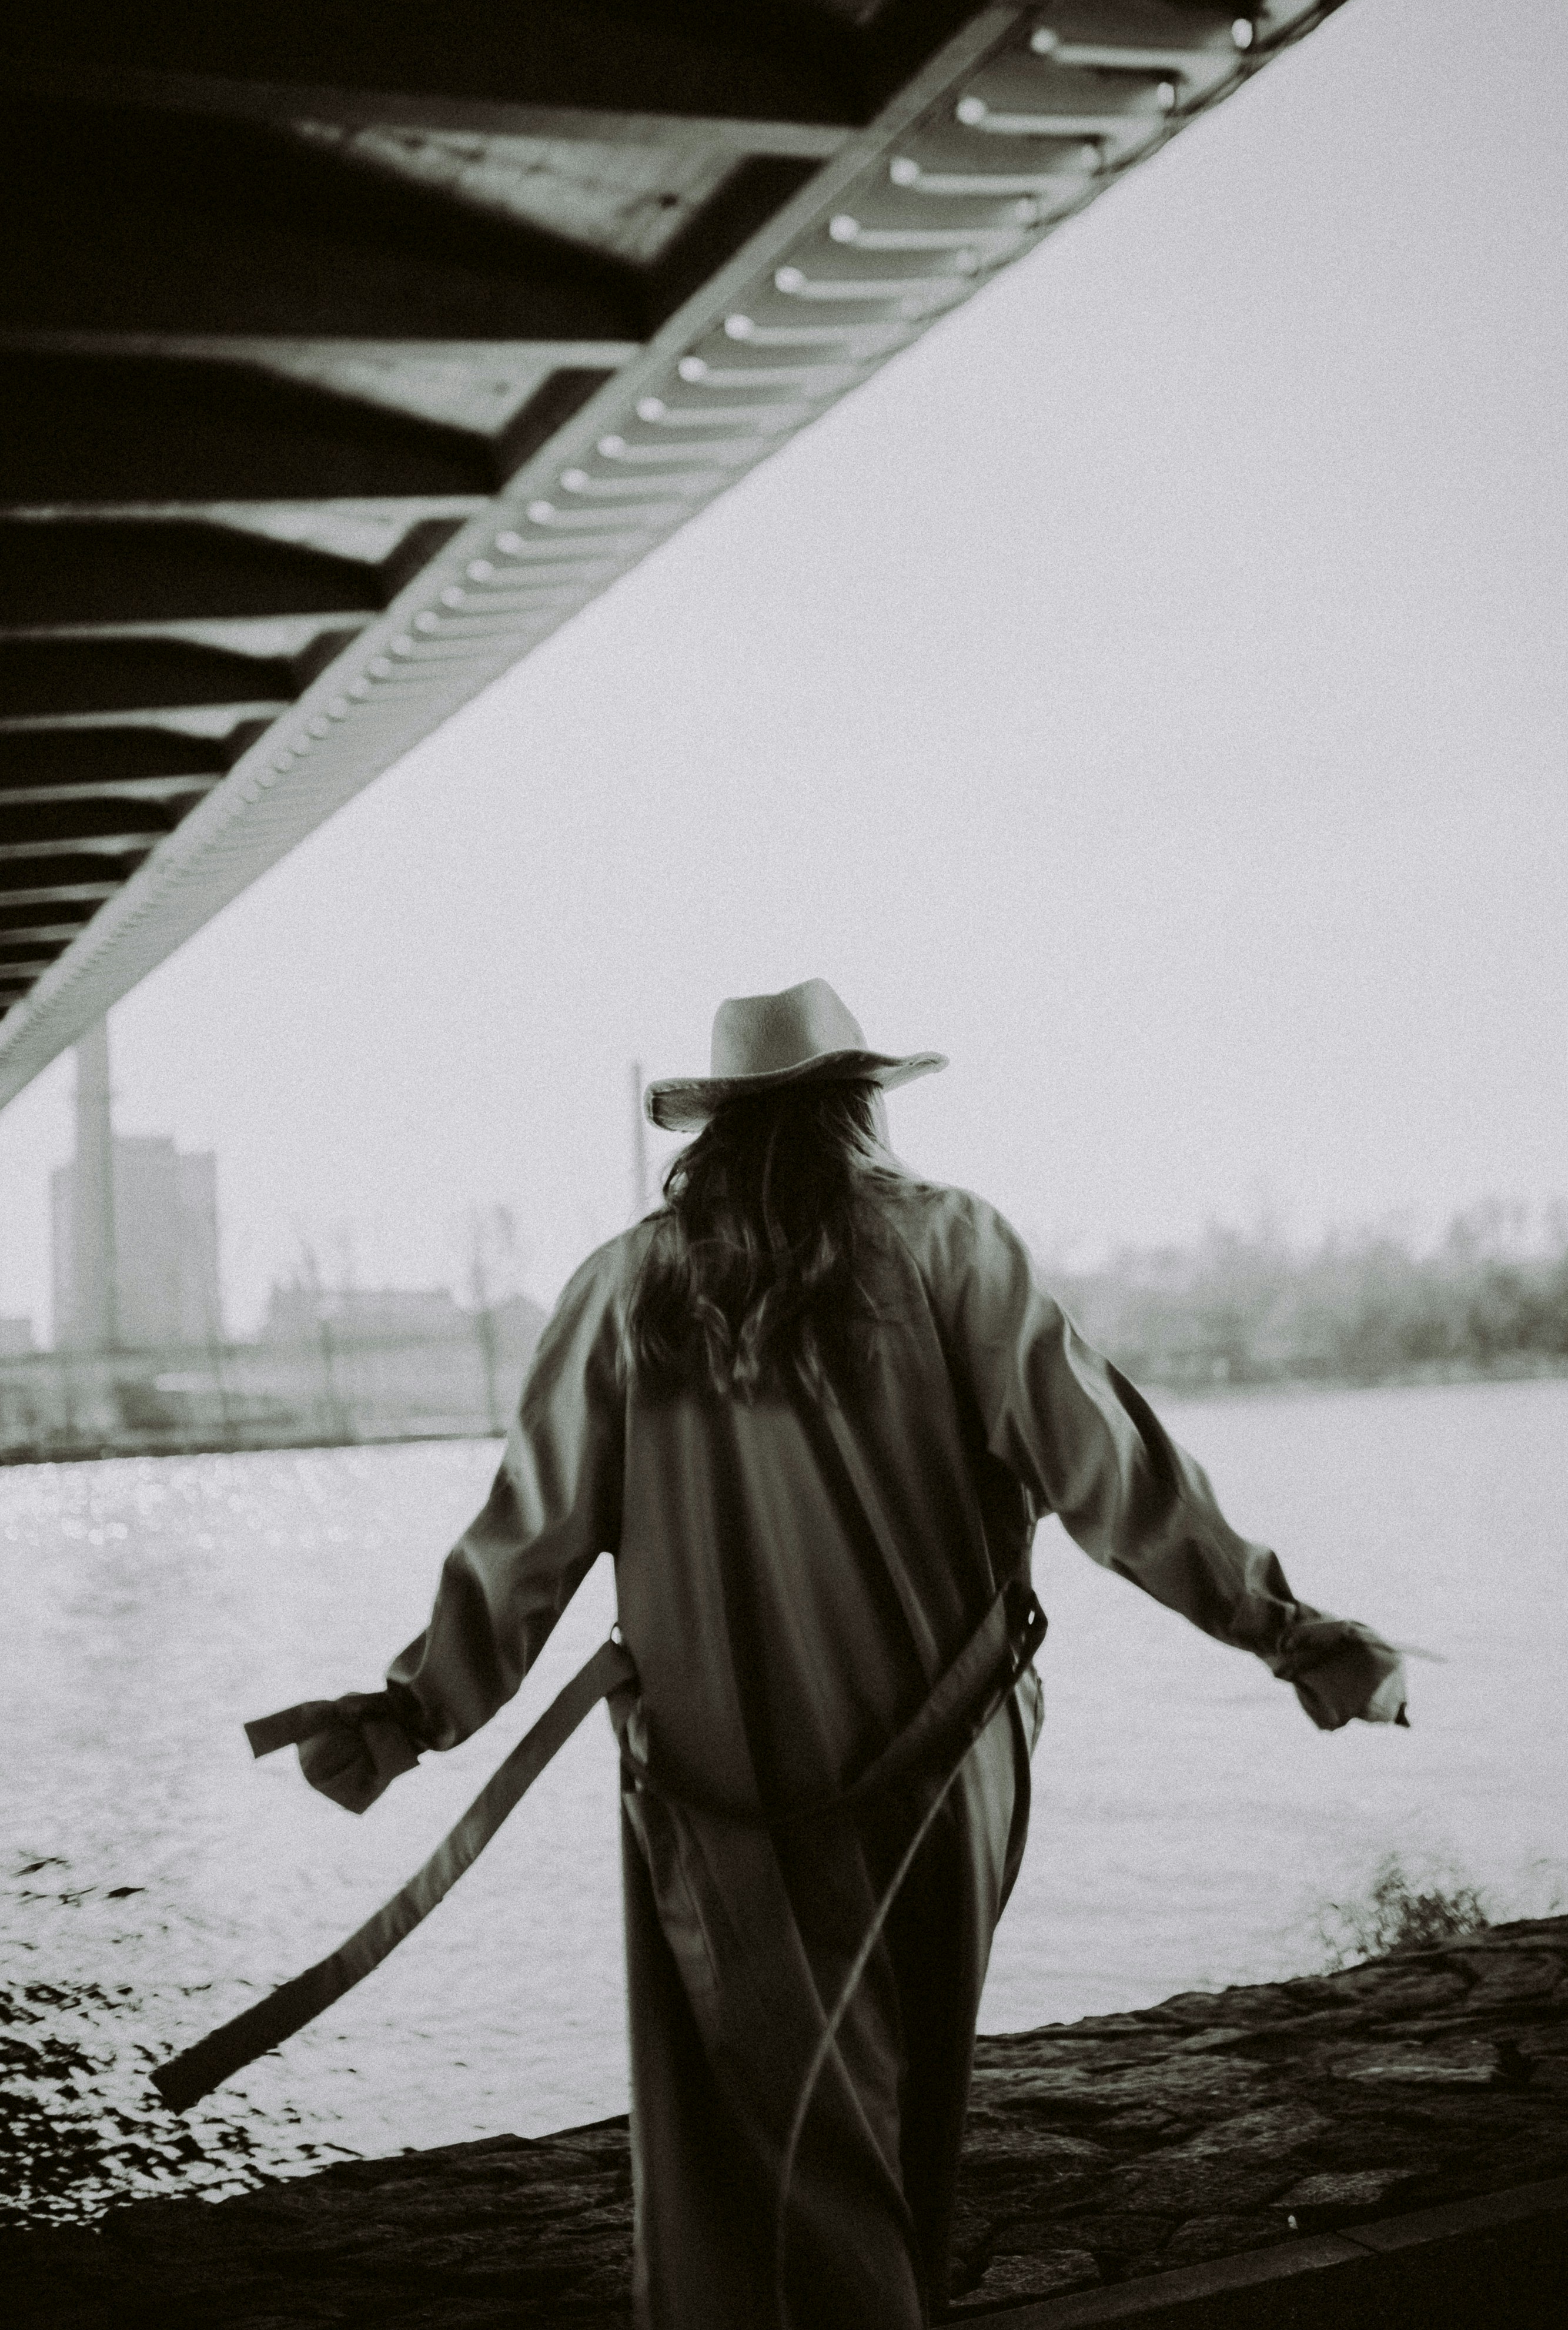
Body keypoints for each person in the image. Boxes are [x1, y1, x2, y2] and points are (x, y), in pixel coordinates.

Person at [296, 978, 1407, 2330]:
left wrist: (411, 1714)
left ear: (710, 1128)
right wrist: (1282, 1628)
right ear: (856, 1105)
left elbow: (522, 1546)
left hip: (716, 1789)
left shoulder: (623, 1289)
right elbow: (1111, 1471)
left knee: (752, 2123)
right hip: (944, 1766)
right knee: (903, 2097)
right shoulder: (950, 1248)